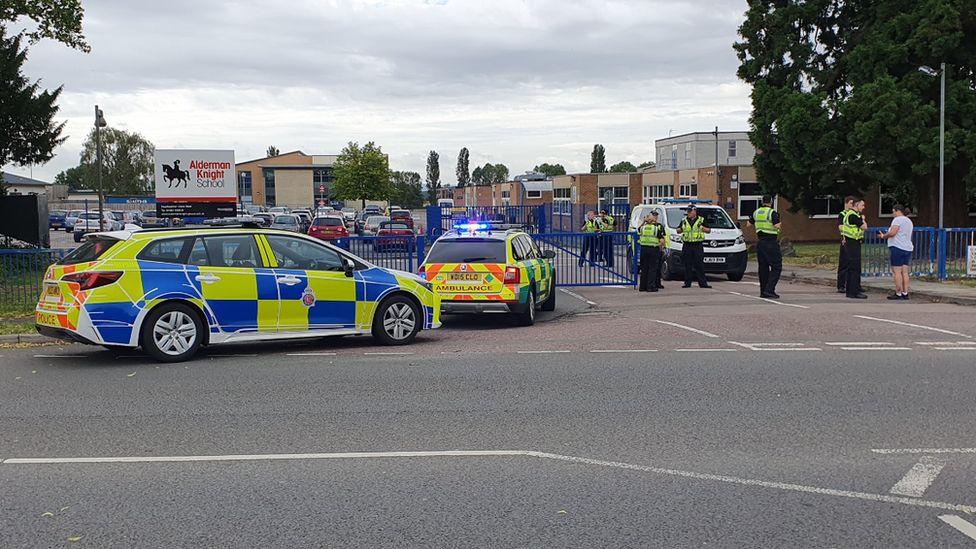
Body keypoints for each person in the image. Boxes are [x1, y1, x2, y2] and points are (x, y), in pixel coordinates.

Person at [748, 197, 782, 298]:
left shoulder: (756, 212)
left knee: (763, 268)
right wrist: (779, 225)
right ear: (771, 202)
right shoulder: (772, 213)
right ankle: (769, 289)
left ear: (762, 202)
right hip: (771, 243)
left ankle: (763, 291)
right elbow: (777, 226)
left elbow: (748, 224)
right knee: (777, 266)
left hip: (760, 243)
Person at [879, 204, 914, 300]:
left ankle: (898, 292)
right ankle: (905, 292)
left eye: (893, 211)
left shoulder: (897, 220)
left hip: (897, 247)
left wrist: (883, 236)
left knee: (897, 271)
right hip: (907, 248)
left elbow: (893, 232)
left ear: (897, 210)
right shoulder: (909, 221)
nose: (892, 213)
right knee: (905, 272)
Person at [676, 205, 711, 288]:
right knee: (687, 264)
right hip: (687, 244)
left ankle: (703, 283)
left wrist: (702, 228)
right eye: (687, 212)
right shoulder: (684, 220)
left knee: (699, 265)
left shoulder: (701, 220)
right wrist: (681, 230)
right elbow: (678, 230)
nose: (688, 213)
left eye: (690, 211)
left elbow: (709, 230)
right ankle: (687, 283)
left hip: (697, 245)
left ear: (694, 211)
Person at [841, 199, 868, 299]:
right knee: (855, 268)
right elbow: (864, 227)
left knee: (851, 268)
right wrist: (863, 219)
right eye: (862, 205)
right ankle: (854, 291)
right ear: (856, 205)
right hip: (853, 243)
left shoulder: (849, 215)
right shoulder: (853, 216)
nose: (863, 207)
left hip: (850, 243)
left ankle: (850, 291)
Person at [637, 211, 666, 292]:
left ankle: (642, 287)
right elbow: (662, 240)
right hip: (653, 250)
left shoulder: (642, 228)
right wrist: (661, 246)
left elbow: (638, 230)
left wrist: (643, 222)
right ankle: (650, 287)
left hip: (643, 249)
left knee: (644, 269)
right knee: (652, 269)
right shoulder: (655, 229)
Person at [836, 196, 856, 294]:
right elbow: (840, 227)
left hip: (854, 241)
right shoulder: (843, 214)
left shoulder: (854, 214)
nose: (853, 206)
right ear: (847, 203)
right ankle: (841, 285)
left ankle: (853, 284)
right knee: (844, 263)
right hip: (845, 240)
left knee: (852, 263)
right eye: (851, 203)